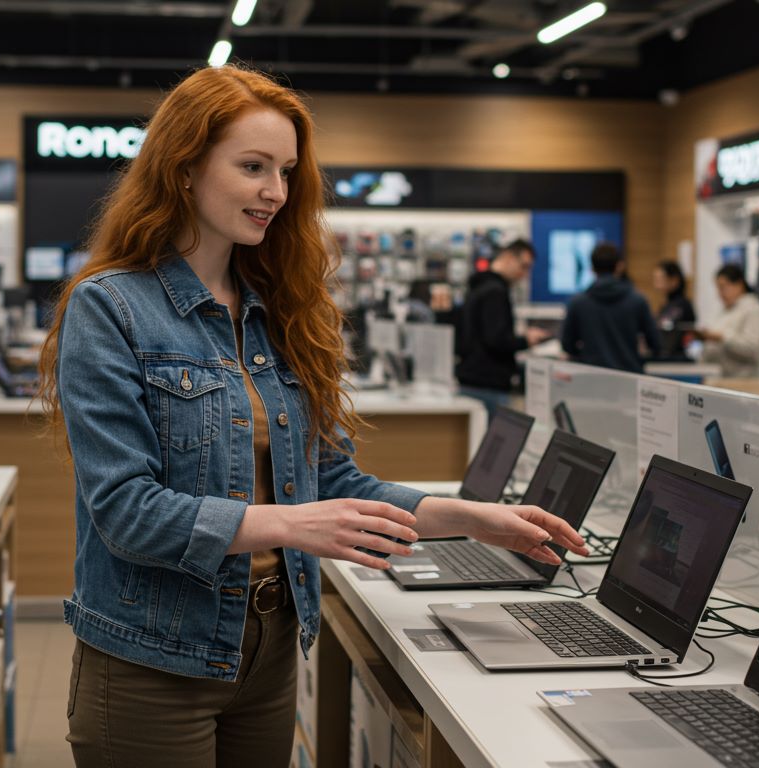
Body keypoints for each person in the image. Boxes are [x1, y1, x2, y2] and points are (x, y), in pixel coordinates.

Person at [38, 65, 588, 767]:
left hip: (270, 646)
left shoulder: (280, 310)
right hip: (153, 657)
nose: (276, 191)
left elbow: (332, 482)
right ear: (183, 170)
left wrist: (472, 520)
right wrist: (294, 523)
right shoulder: (110, 307)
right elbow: (126, 511)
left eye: (287, 170)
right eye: (253, 166)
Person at [454, 240, 550, 417]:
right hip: (488, 382)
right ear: (507, 257)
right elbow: (496, 339)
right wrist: (526, 340)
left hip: (472, 379)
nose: (524, 273)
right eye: (523, 266)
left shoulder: (478, 286)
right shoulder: (495, 291)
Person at [559, 242, 661, 373]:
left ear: (592, 268)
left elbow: (567, 345)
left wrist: (587, 355)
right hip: (630, 379)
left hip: (591, 378)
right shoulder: (638, 301)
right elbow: (655, 344)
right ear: (619, 266)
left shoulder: (577, 303)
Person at [698, 265, 759, 377]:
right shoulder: (726, 310)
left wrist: (720, 337)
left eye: (723, 287)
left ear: (739, 285)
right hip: (719, 381)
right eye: (717, 288)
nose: (719, 293)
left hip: (743, 384)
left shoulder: (753, 310)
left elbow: (752, 349)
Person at [652, 261, 695, 327]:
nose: (656, 285)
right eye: (655, 280)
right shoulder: (668, 304)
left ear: (674, 280)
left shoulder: (682, 305)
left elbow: (666, 325)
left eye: (660, 280)